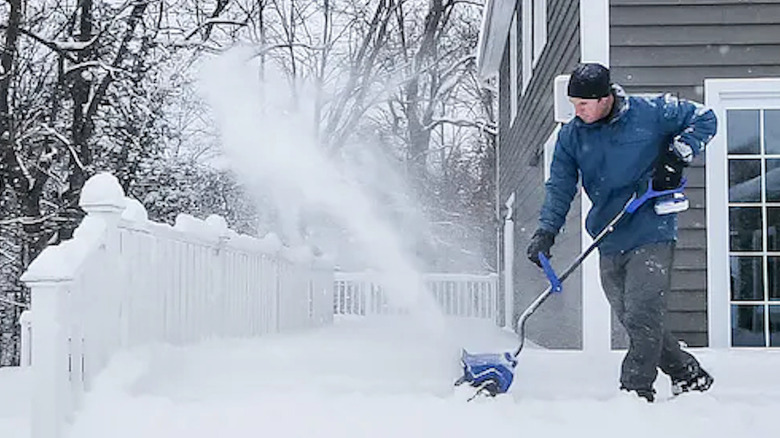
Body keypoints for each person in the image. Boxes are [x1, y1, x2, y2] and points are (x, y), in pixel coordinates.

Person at [525, 63, 717, 403]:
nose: (577, 110)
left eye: (583, 104)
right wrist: (546, 232)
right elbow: (559, 187)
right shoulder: (572, 136)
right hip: (609, 233)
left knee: (643, 313)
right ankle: (688, 374)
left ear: (604, 98)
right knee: (634, 319)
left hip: (651, 226)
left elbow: (705, 117)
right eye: (573, 104)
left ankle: (635, 392)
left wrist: (676, 156)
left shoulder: (651, 112)